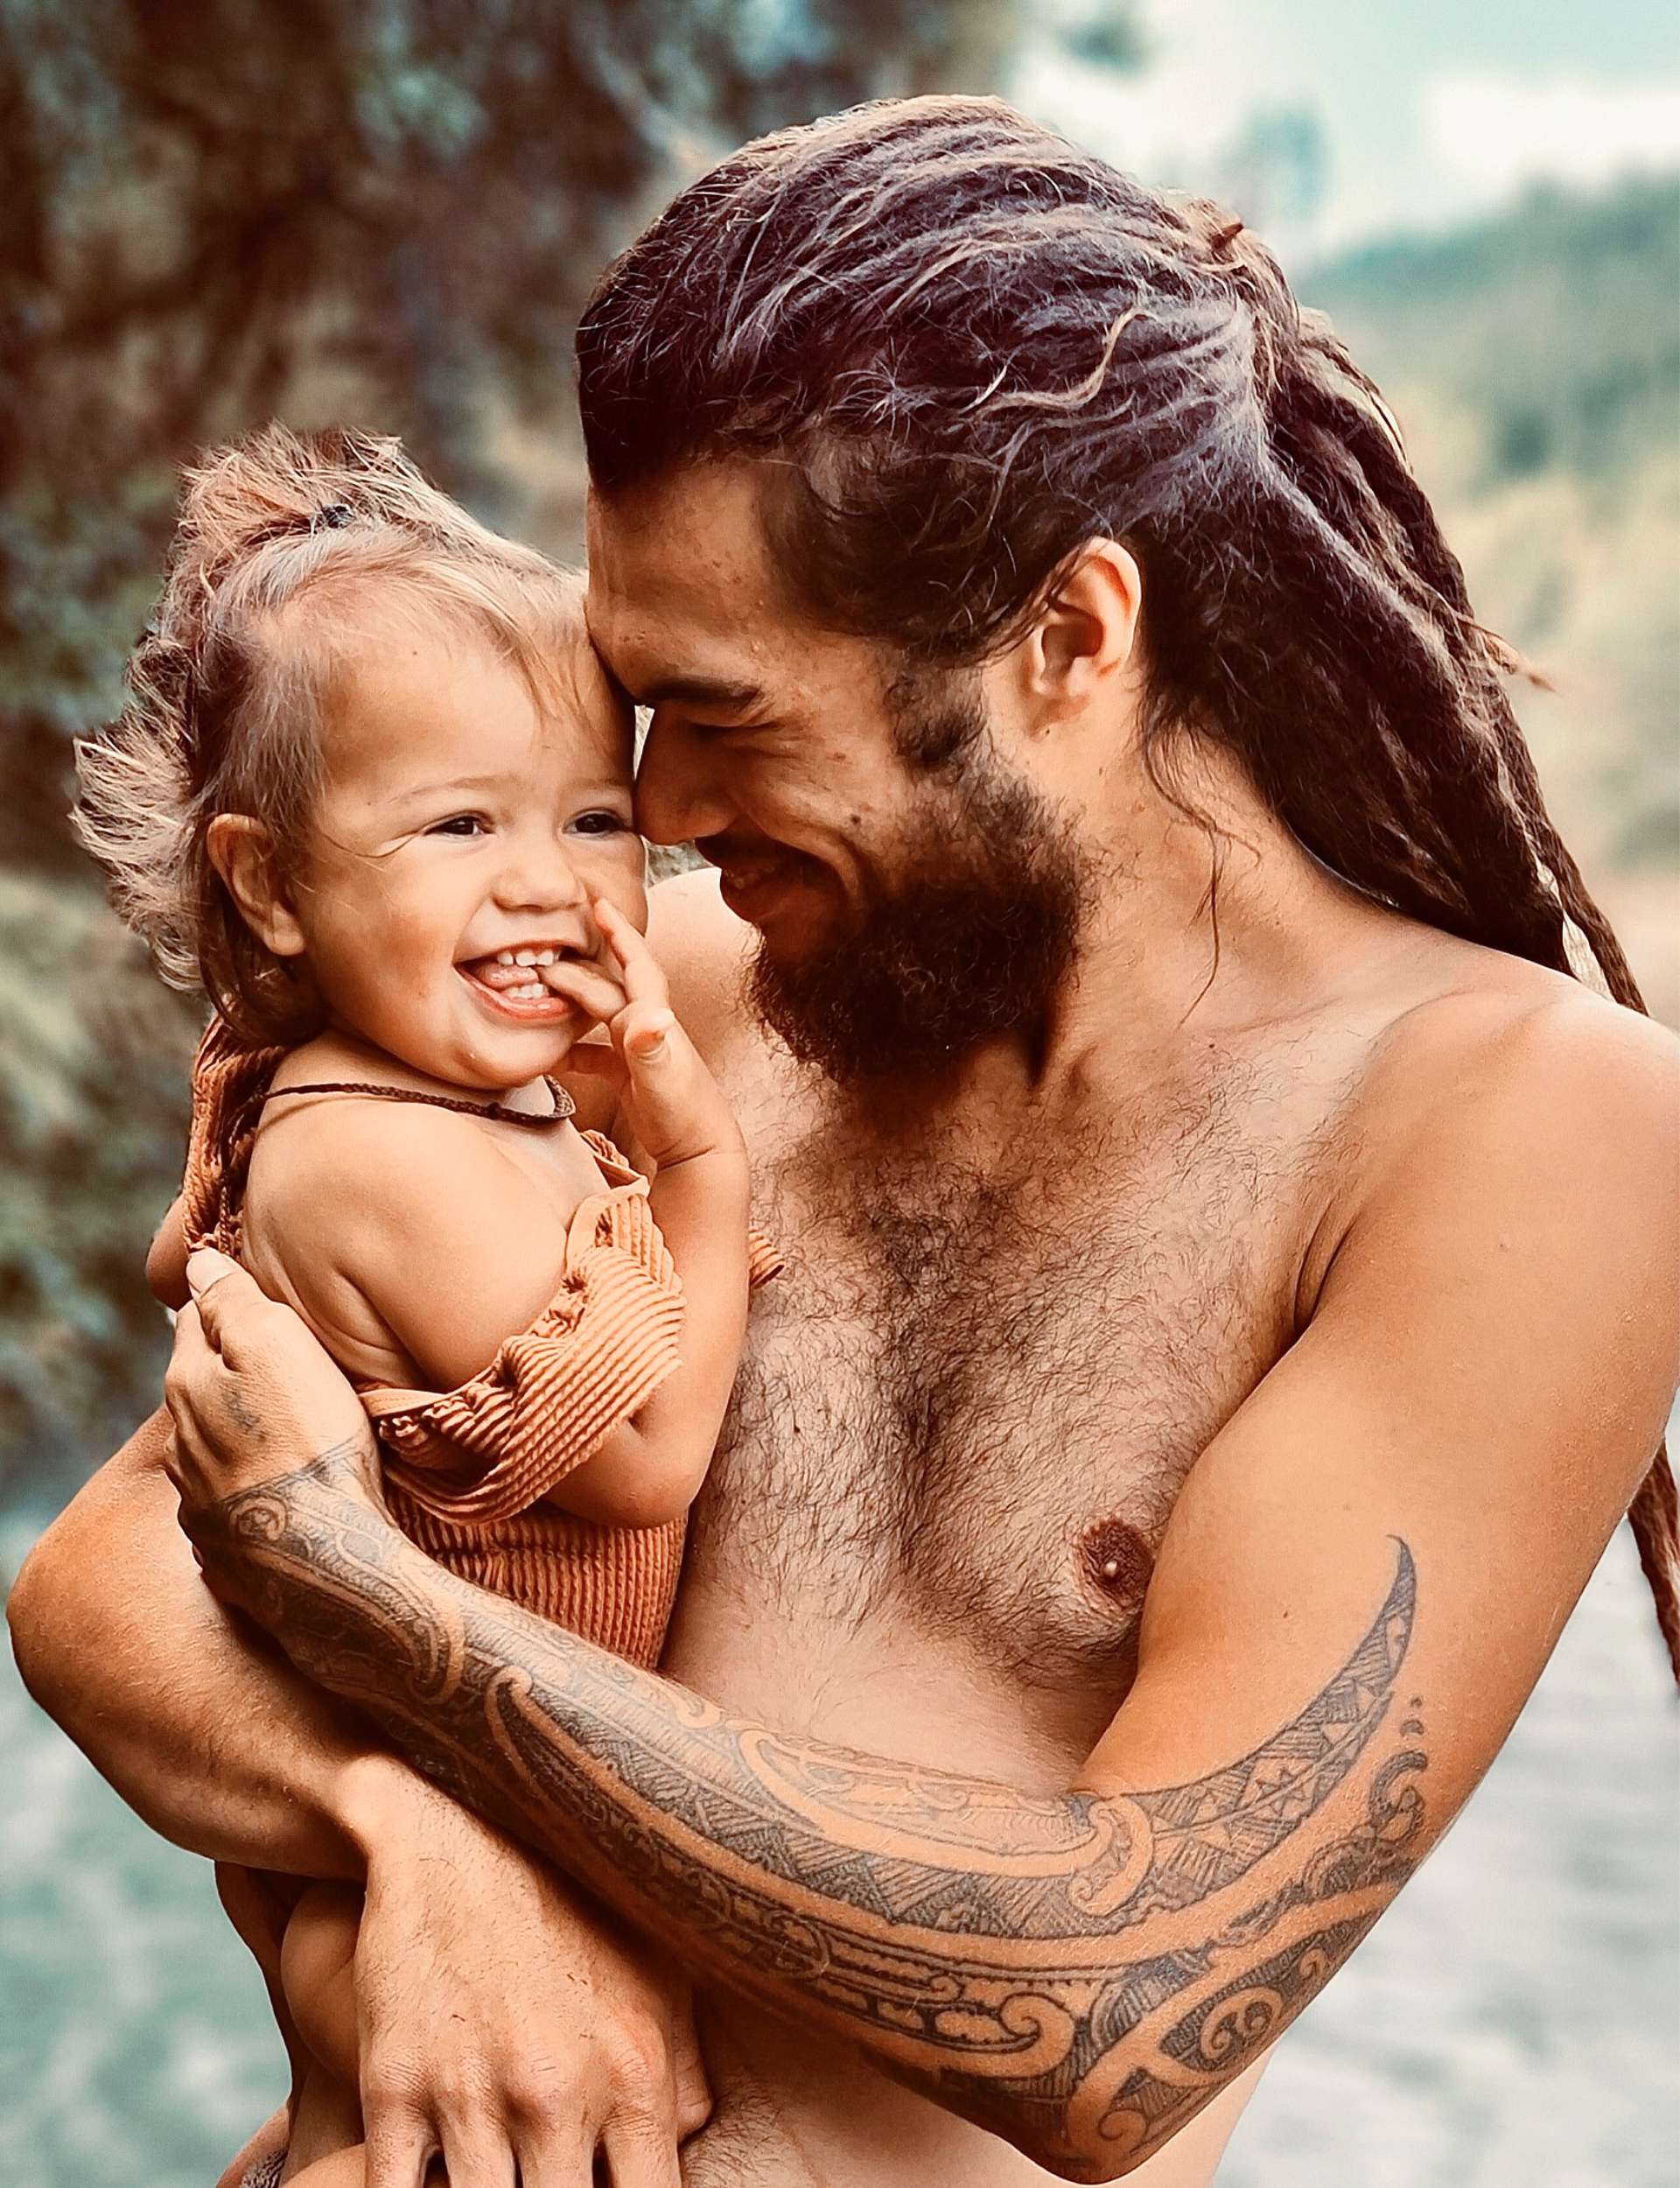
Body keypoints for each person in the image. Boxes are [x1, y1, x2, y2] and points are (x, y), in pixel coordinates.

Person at [12, 95, 1680, 2188]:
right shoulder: (676, 1016)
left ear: (1070, 637)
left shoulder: (1519, 1122)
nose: (669, 816)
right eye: (638, 716)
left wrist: (409, 1643)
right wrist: (409, 1820)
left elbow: (1116, 2006)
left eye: (724, 710)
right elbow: (115, 1571)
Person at [71, 425, 774, 2181]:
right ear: (267, 882)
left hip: (460, 1774)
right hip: (435, 1790)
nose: (546, 880)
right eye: (457, 823)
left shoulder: (362, 1091)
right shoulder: (389, 1157)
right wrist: (700, 1160)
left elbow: (192, 1259)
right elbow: (638, 1454)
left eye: (593, 816)